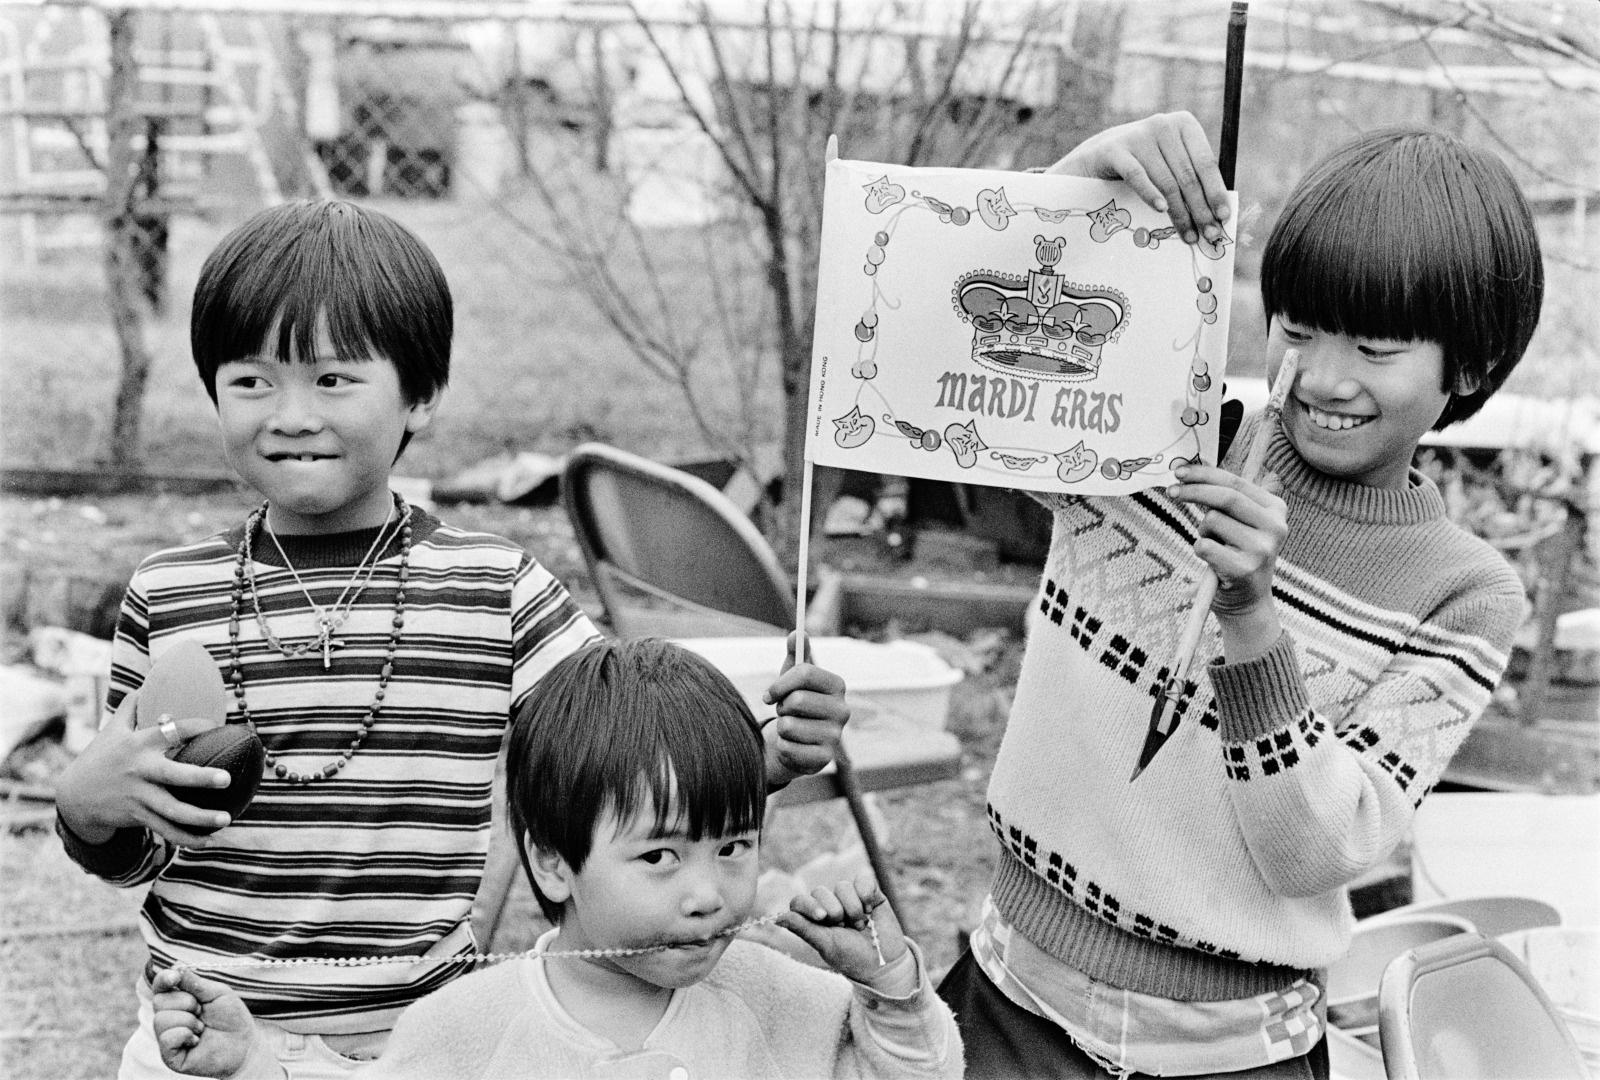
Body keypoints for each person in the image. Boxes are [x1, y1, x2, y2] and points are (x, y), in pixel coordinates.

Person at [51, 200, 851, 1080]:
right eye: (251, 381)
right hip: (200, 1032)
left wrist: (768, 754)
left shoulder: (493, 588)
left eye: (331, 380)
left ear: (420, 397)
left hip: (428, 1041)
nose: (288, 414)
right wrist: (88, 805)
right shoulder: (171, 593)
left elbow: (623, 755)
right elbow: (141, 843)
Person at [936, 115, 1542, 1078]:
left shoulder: (1464, 593)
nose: (1323, 378)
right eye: (1297, 329)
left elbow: (1322, 849)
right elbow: (951, 371)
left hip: (1231, 1058)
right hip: (1010, 1008)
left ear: (1466, 368)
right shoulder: (1155, 430)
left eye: (1377, 350)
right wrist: (1075, 190)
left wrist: (1253, 621)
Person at [146, 638, 963, 1080]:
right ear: (552, 862)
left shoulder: (787, 1003)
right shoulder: (464, 1028)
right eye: (660, 857)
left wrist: (891, 993)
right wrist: (252, 1065)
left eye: (734, 846)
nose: (709, 894)